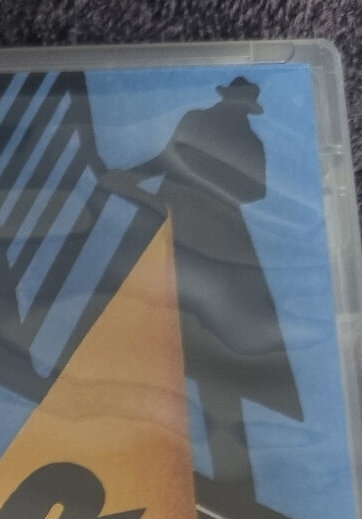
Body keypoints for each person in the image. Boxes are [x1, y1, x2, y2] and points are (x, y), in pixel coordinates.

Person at [116, 77, 302, 497]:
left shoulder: (241, 138)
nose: (235, 108)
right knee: (160, 331)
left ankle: (227, 477)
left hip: (211, 234)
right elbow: (168, 160)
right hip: (189, 227)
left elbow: (254, 190)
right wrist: (130, 176)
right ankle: (158, 461)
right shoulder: (207, 124)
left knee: (213, 346)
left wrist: (152, 177)